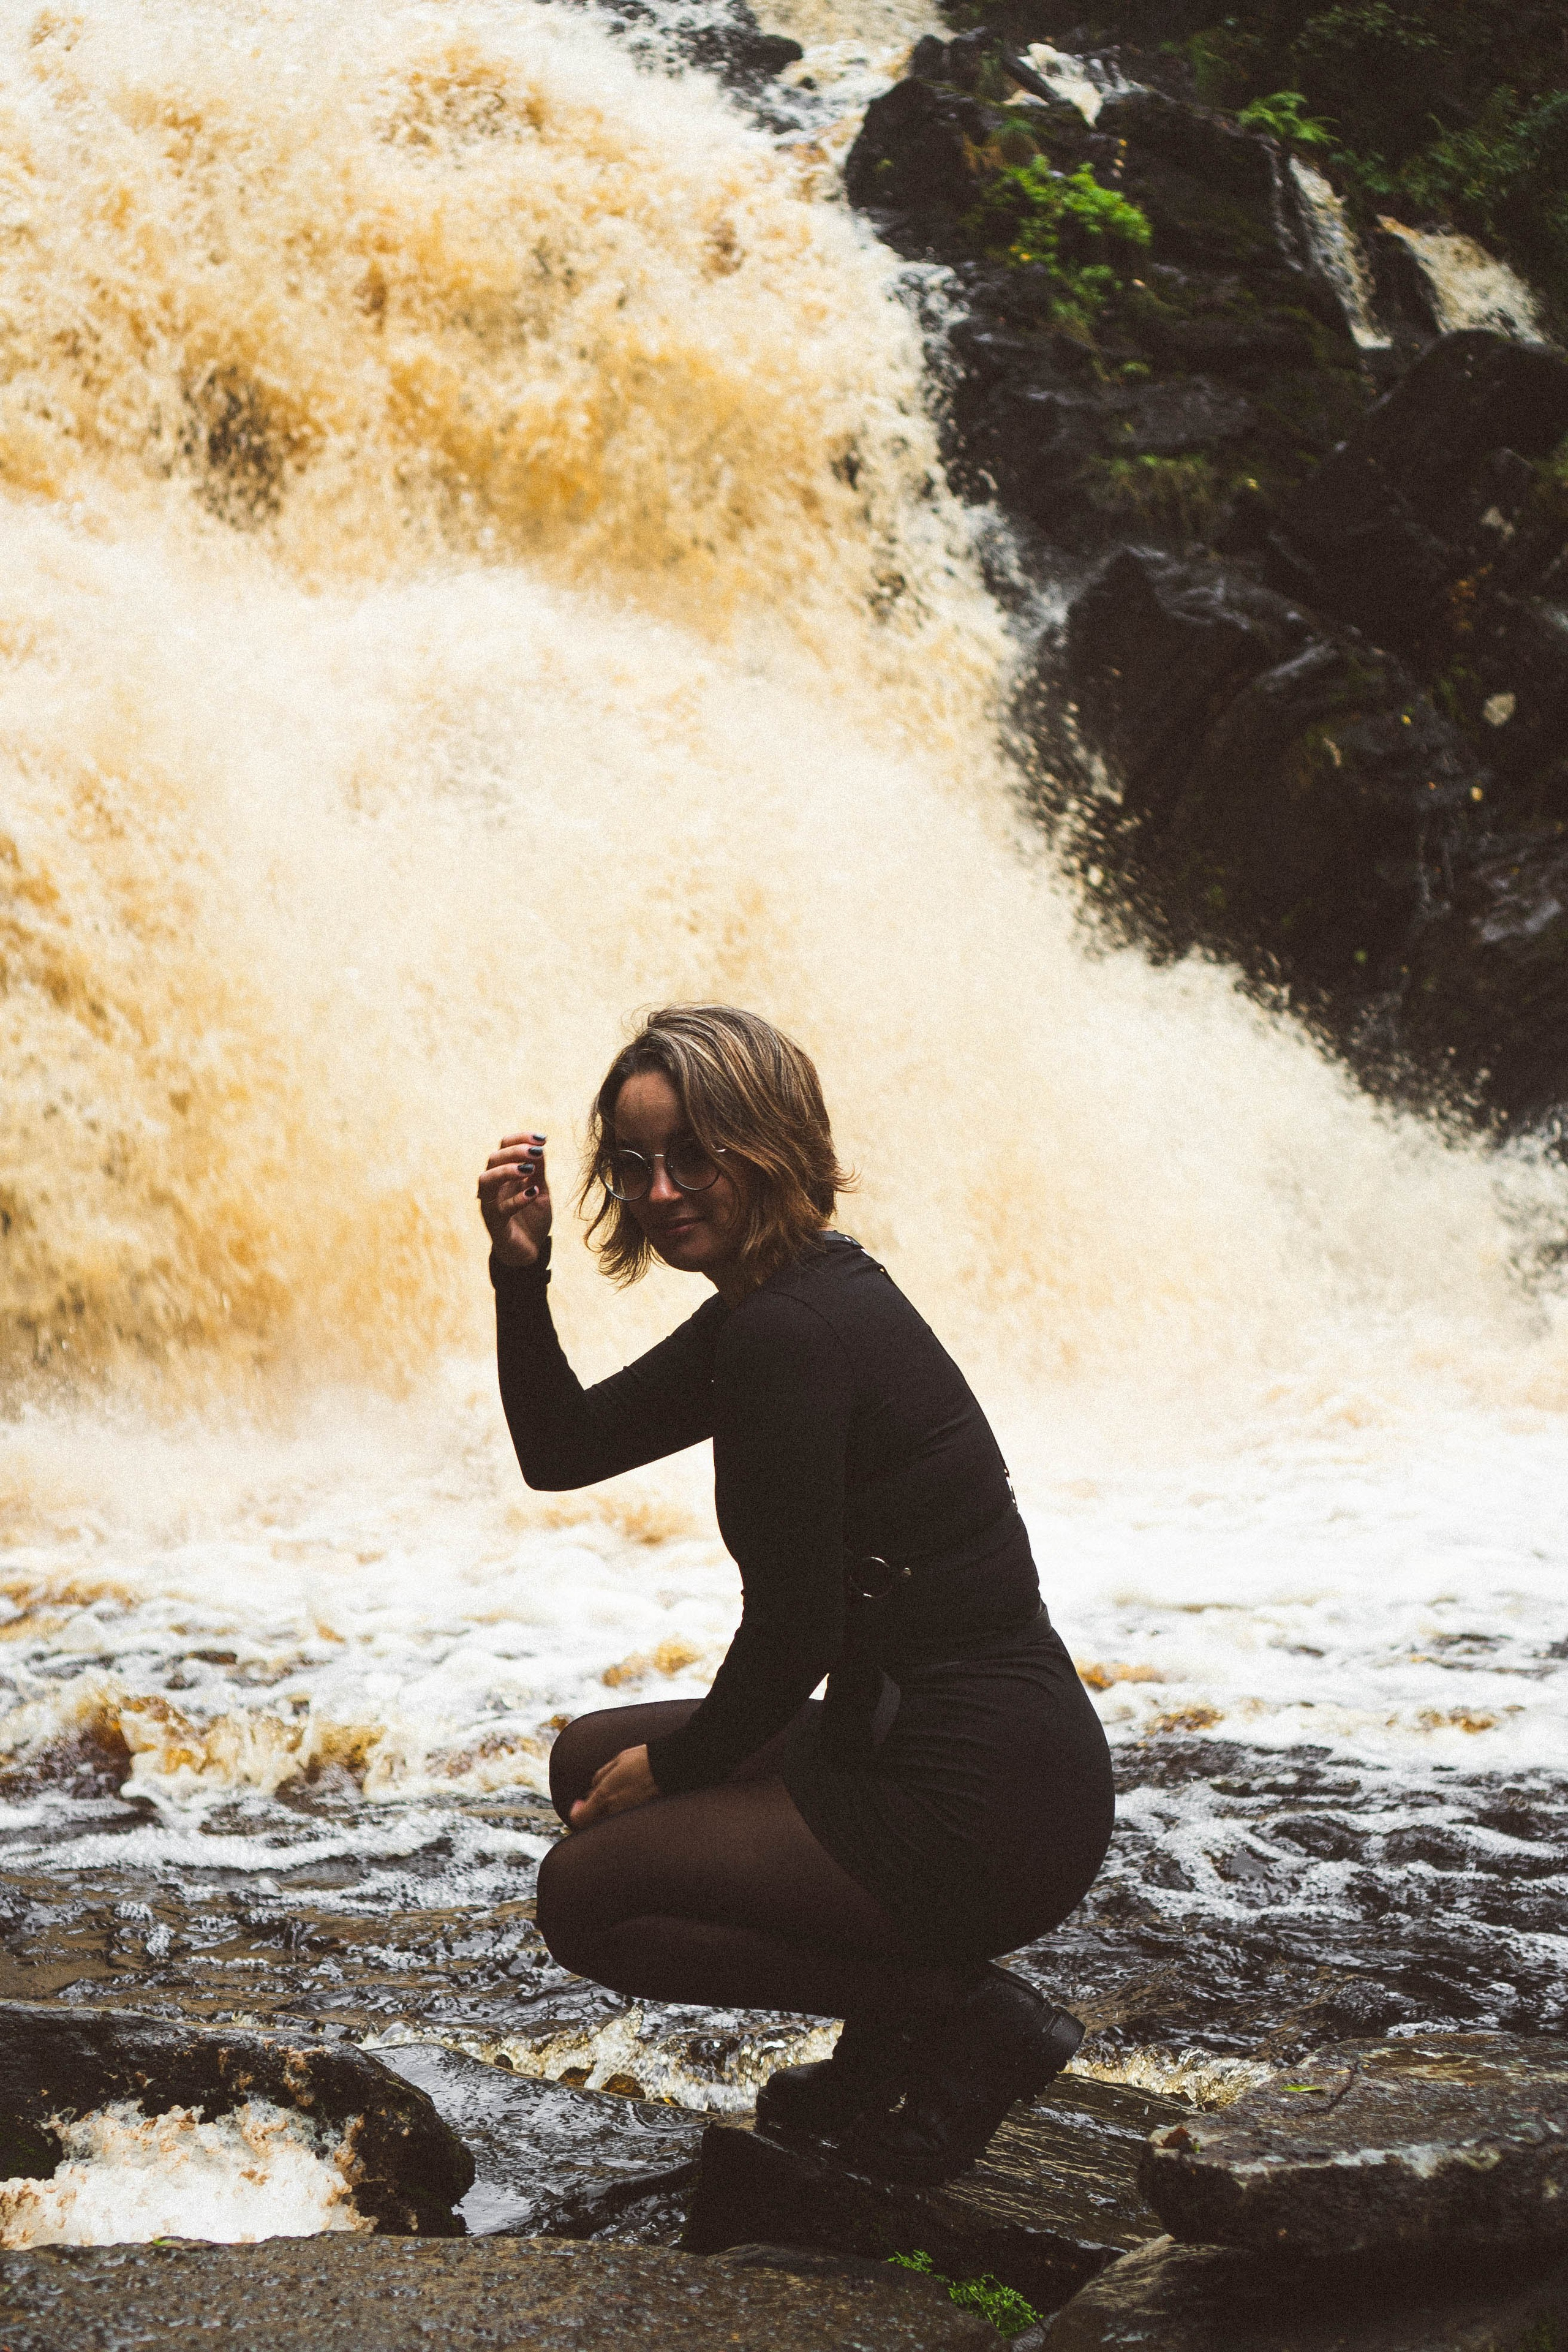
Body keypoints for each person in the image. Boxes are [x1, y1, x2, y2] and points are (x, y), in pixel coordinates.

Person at [477, 1004, 1114, 2184]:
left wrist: (679, 1768)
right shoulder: (778, 1299)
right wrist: (522, 1272)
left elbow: (795, 1631)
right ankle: (889, 2037)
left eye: (692, 1156)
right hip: (931, 1743)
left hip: (983, 1800)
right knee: (585, 1762)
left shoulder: (789, 1332)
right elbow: (562, 1450)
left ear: (766, 1143)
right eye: (634, 1162)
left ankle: (955, 2016)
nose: (659, 1191)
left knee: (587, 1893)